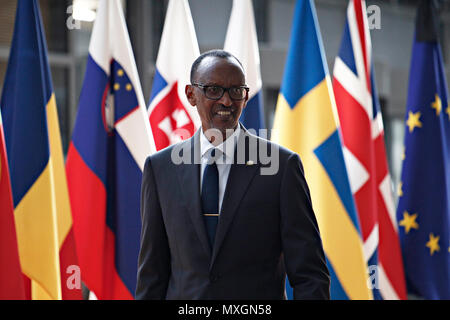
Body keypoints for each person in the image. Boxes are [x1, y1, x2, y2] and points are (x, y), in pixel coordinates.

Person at [136, 49, 330, 299]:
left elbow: (309, 275)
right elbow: (152, 276)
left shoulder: (282, 167)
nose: (227, 101)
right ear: (191, 95)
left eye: (236, 91)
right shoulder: (160, 168)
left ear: (246, 96)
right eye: (213, 90)